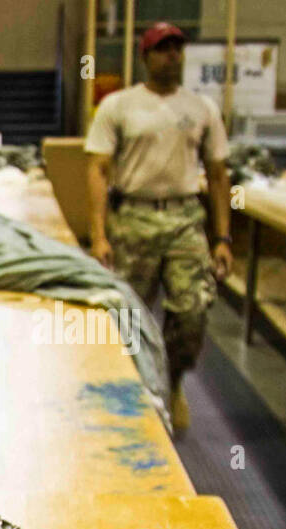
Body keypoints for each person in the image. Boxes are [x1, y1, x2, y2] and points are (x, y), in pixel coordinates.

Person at [85, 22, 232, 433]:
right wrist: (98, 235)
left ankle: (172, 382)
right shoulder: (119, 106)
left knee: (192, 310)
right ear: (146, 56)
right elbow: (97, 169)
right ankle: (134, 390)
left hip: (186, 219)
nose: (172, 56)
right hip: (133, 217)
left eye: (177, 49)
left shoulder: (202, 109)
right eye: (163, 49)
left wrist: (223, 238)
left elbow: (219, 175)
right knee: (128, 313)